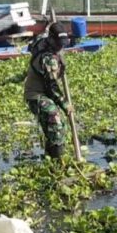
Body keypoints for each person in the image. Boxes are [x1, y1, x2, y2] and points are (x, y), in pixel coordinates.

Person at [23, 22, 73, 159]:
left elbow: (32, 46)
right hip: (36, 95)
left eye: (62, 43)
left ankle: (50, 159)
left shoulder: (42, 42)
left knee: (55, 127)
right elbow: (52, 88)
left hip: (45, 92)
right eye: (58, 44)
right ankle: (57, 160)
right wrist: (64, 104)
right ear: (51, 39)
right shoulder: (48, 59)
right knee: (55, 123)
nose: (60, 47)